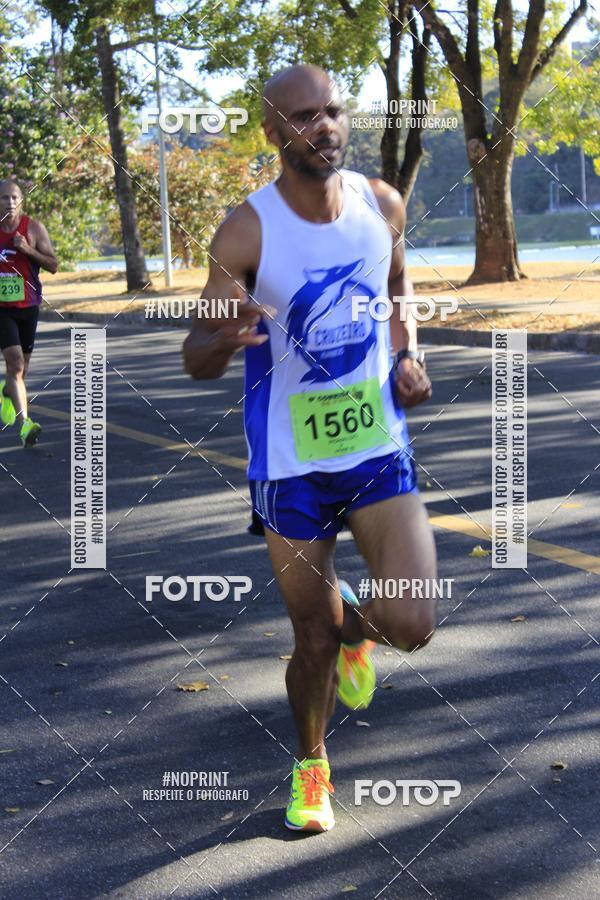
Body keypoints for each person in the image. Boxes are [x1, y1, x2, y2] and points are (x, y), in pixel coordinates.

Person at [184, 65, 437, 833]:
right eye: (301, 117)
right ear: (274, 133)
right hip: (288, 462)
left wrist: (406, 354)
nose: (322, 126)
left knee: (412, 625)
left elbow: (397, 292)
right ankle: (312, 768)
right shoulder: (247, 229)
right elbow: (195, 352)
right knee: (311, 634)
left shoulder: (380, 203)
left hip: (374, 446)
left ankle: (358, 623)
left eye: (331, 111)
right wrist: (223, 340)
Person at [0, 179, 58, 446]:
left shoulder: (33, 228)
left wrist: (26, 248)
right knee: (15, 363)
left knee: (21, 372)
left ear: (21, 201)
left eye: (14, 198)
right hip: (2, 310)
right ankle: (25, 425)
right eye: (4, 198)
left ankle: (7, 392)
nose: (10, 202)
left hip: (29, 306)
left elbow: (53, 265)